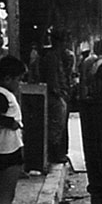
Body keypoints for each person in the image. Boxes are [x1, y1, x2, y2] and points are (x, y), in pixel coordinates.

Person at [0, 56, 27, 204]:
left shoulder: (3, 94)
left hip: (9, 146)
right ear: (8, 78)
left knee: (8, 195)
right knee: (5, 198)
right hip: (7, 150)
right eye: (18, 80)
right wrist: (11, 123)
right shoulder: (0, 96)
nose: (19, 84)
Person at [40, 28, 75, 165]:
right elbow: (53, 79)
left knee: (59, 126)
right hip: (56, 95)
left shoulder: (56, 56)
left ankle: (58, 153)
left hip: (59, 94)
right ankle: (55, 154)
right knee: (56, 126)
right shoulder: (52, 57)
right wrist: (61, 94)